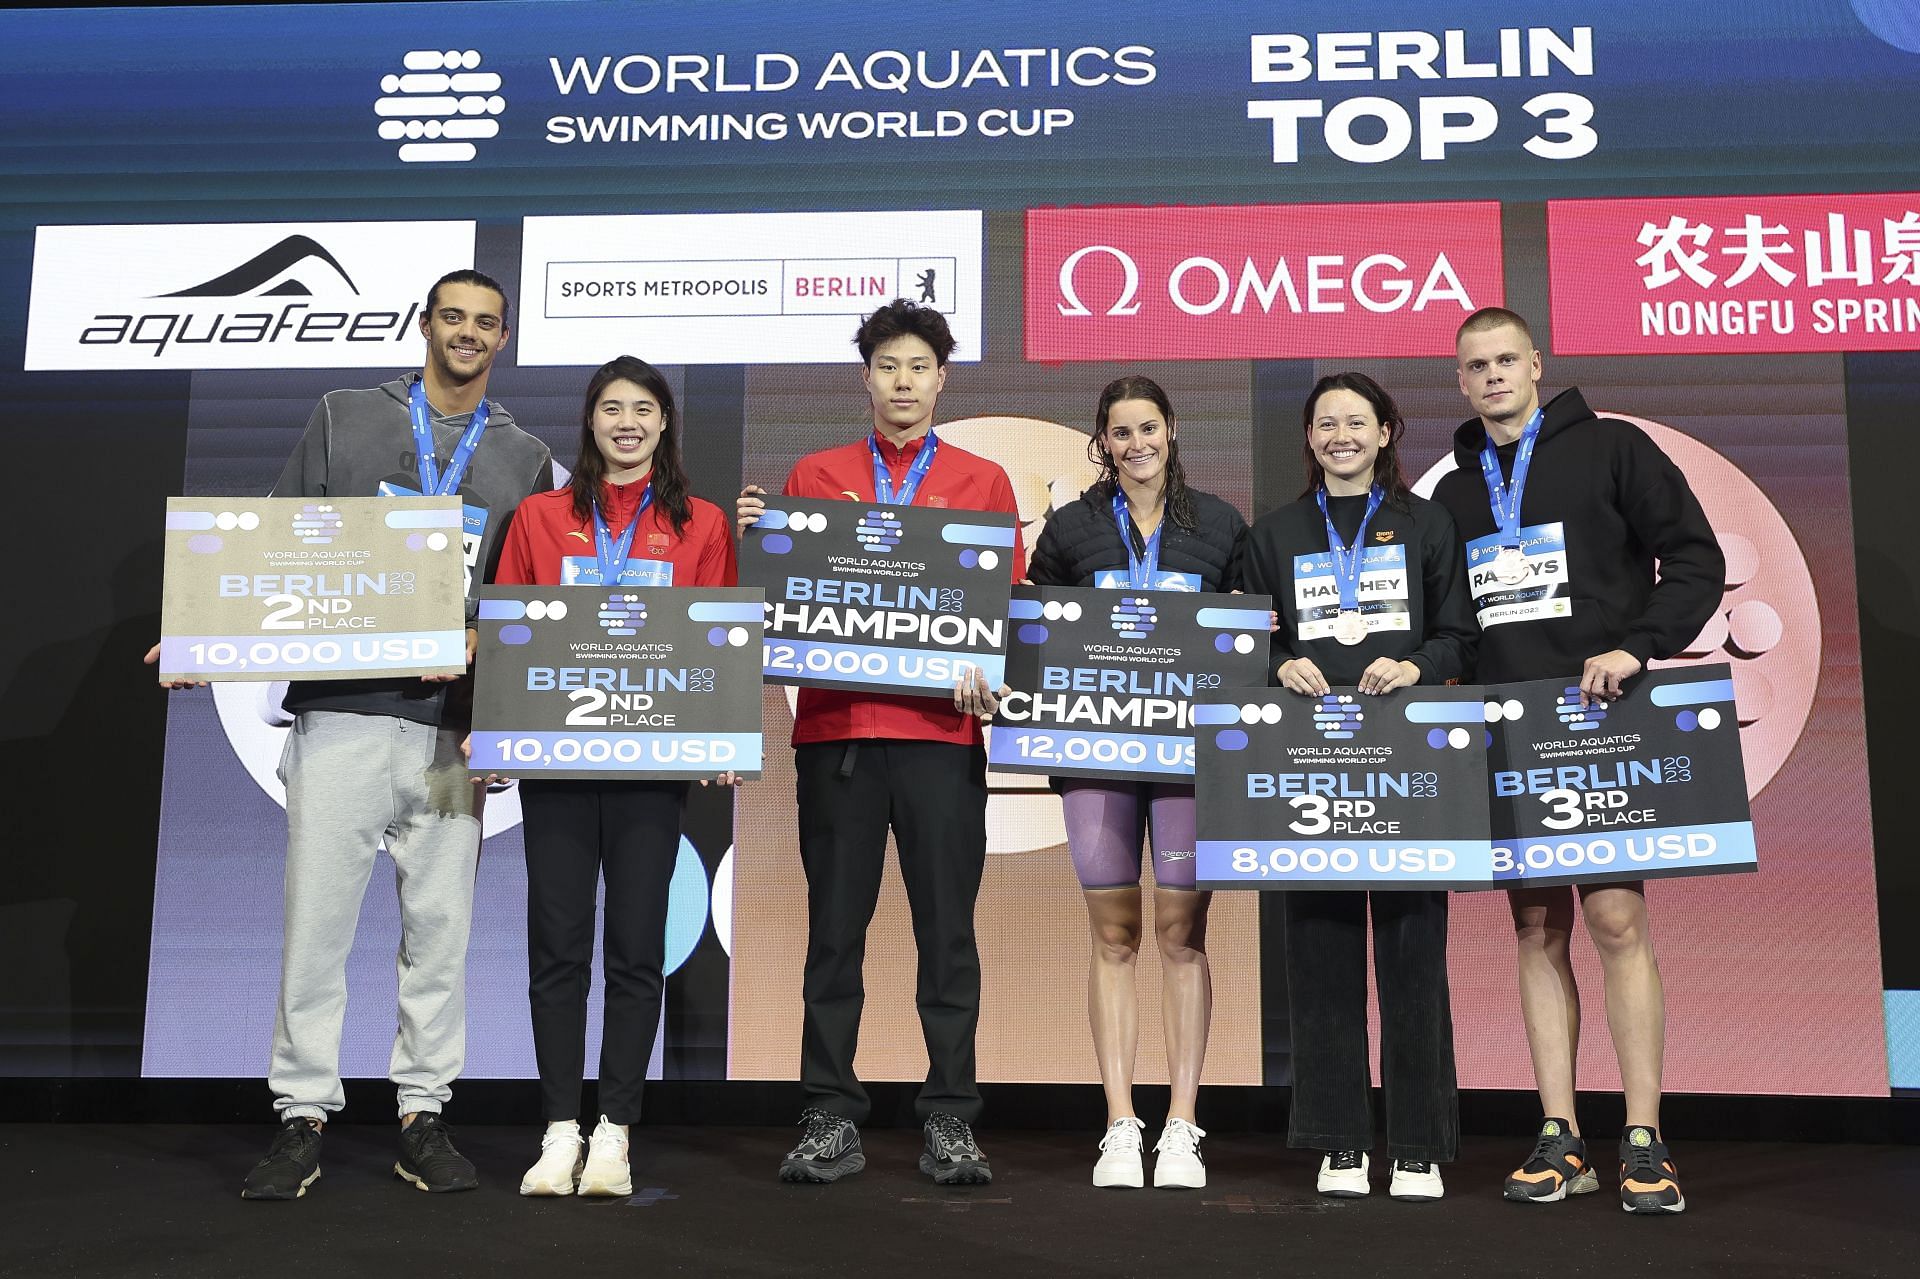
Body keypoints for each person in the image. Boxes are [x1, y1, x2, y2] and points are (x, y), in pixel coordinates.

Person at [150, 269, 553, 1199]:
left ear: (504, 340)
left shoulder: (523, 455)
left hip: (452, 740)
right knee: (316, 930)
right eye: (453, 316)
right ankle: (301, 1116)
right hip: (339, 718)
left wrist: (485, 673)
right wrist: (203, 630)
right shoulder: (344, 414)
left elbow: (527, 601)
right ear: (426, 325)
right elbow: (274, 542)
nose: (468, 334)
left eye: (486, 323)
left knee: (441, 932)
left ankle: (424, 1112)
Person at [1430, 308, 1724, 1214]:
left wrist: (1639, 648)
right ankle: (1560, 1136)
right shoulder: (1454, 492)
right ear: (1461, 380)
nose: (1491, 377)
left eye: (1505, 360)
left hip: (1605, 724)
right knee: (1534, 929)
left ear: (1537, 364)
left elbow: (1697, 561)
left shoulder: (1613, 448)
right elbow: (1453, 623)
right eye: (1475, 365)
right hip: (1508, 731)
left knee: (1617, 922)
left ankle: (1644, 1138)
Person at [737, 299, 1022, 1186]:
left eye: (918, 367)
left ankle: (950, 1118)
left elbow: (1004, 606)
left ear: (942, 379)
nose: (903, 382)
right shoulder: (815, 474)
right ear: (866, 378)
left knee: (948, 936)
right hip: (839, 736)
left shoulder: (983, 481)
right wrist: (763, 541)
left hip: (943, 735)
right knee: (834, 936)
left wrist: (987, 666)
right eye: (887, 366)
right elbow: (783, 601)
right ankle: (829, 1113)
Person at [488, 356, 738, 1197]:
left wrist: (720, 739)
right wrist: (493, 740)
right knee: (556, 949)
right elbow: (508, 633)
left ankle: (615, 1132)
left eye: (642, 409)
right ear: (590, 422)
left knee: (636, 951)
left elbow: (715, 643)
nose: (626, 422)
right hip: (555, 765)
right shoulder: (537, 516)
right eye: (610, 408)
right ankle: (559, 1129)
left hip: (648, 768)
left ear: (664, 423)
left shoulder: (700, 522)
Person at [1242, 371, 1475, 1202]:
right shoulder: (1274, 533)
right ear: (1308, 438)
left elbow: (1459, 635)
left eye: (1357, 421)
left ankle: (1416, 1144)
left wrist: (1415, 664)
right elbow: (1244, 643)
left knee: (1415, 951)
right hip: (1308, 762)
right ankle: (1338, 1140)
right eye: (1325, 422)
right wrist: (1278, 664)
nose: (1341, 434)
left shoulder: (1429, 524)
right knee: (1320, 952)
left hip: (1406, 762)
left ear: (1386, 433)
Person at [1024, 375, 1245, 1190]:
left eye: (1148, 427)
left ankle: (1183, 1122)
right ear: (1103, 441)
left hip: (1192, 762)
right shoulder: (1074, 527)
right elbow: (1036, 627)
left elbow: (1249, 635)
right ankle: (1120, 1122)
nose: (1136, 444)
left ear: (1172, 428)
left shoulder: (1219, 523)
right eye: (1120, 432)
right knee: (1114, 936)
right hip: (1095, 757)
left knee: (1181, 936)